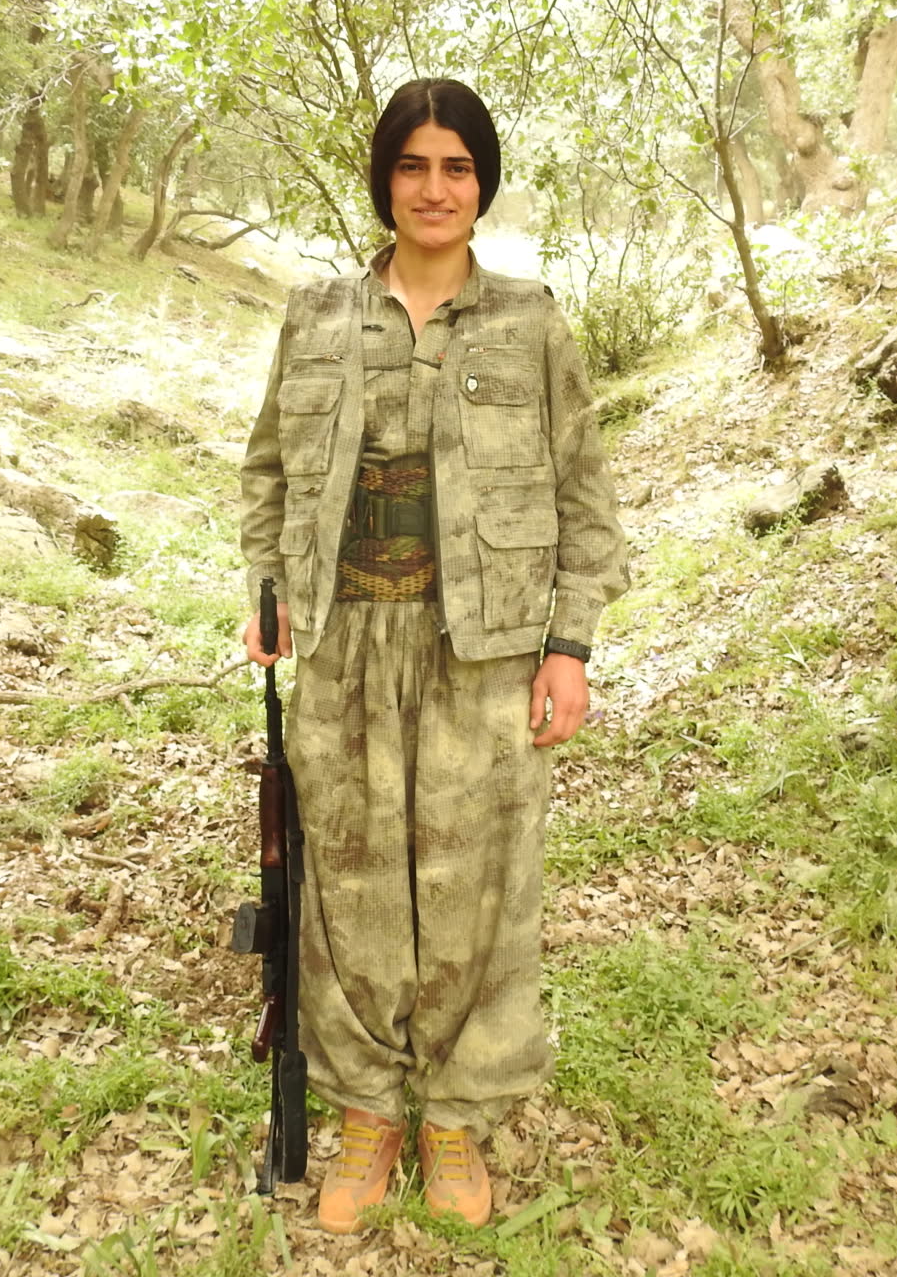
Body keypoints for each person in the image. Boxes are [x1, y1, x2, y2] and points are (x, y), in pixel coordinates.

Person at [239, 78, 628, 1233]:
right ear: (385, 180)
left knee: (476, 892)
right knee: (349, 889)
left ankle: (456, 1115)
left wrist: (568, 647)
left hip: (483, 652)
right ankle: (367, 1111)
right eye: (413, 165)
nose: (434, 188)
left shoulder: (530, 323)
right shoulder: (316, 315)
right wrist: (267, 595)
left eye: (457, 167)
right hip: (346, 649)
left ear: (482, 184)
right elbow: (268, 472)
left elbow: (585, 496)